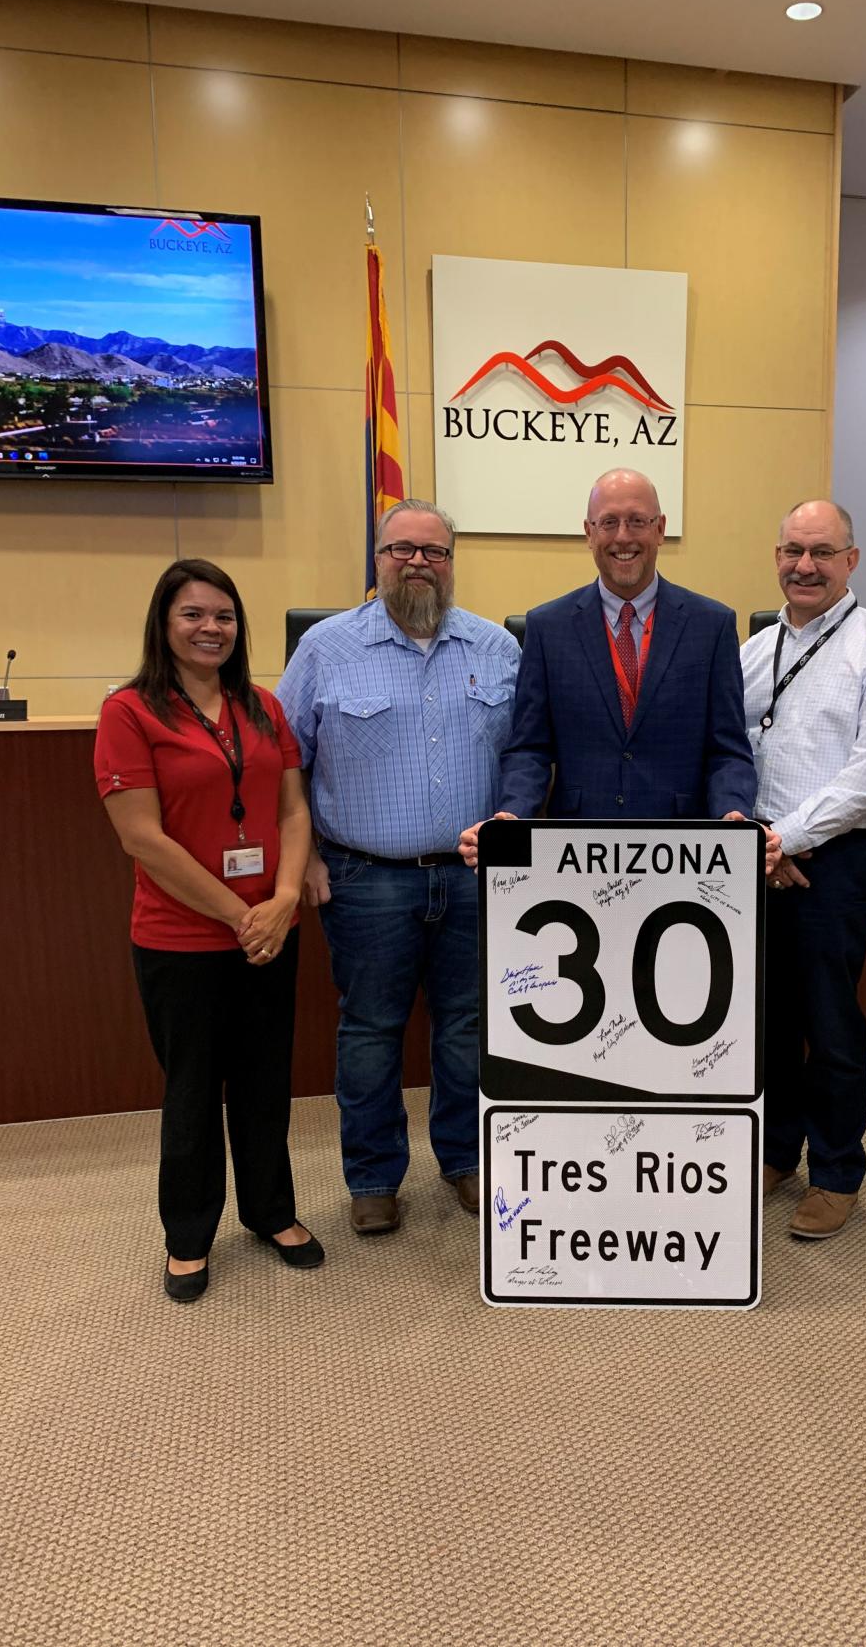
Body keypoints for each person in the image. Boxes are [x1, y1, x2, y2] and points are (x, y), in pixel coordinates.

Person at [278, 498, 519, 1234]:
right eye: (401, 549)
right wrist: (307, 857)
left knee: (468, 1029)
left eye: (434, 551)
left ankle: (467, 1161)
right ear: (377, 559)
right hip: (365, 878)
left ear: (452, 563)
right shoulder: (326, 646)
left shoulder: (498, 648)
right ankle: (374, 1179)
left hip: (478, 879)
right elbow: (284, 764)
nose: (418, 562)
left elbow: (524, 761)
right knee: (372, 1031)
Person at [94, 559, 321, 1304]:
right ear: (164, 623)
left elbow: (292, 808)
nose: (210, 628)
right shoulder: (129, 711)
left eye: (223, 616)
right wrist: (239, 914)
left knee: (264, 1083)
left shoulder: (260, 706)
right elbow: (142, 839)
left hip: (268, 932)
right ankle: (188, 1236)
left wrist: (284, 897)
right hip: (181, 938)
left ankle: (271, 1214)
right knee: (193, 1089)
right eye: (193, 614)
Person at [742, 500, 866, 1240]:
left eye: (821, 551)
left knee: (831, 1022)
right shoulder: (755, 649)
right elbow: (733, 752)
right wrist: (762, 842)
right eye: (792, 550)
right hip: (757, 861)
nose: (804, 566)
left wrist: (782, 839)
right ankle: (779, 1147)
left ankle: (838, 1169)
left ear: (852, 560)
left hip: (838, 863)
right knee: (768, 1023)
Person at [458, 467, 755, 865]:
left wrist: (732, 813)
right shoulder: (547, 627)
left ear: (660, 528)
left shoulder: (712, 624)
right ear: (589, 532)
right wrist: (512, 814)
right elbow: (530, 747)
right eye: (609, 523)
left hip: (683, 852)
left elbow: (728, 750)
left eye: (637, 521)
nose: (623, 537)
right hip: (577, 853)